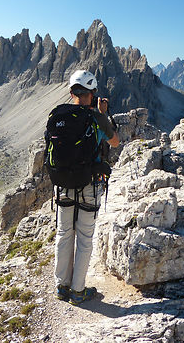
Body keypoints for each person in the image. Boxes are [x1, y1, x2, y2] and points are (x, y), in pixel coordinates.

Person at [47, 69, 119, 305]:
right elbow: (115, 142)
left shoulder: (58, 115)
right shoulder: (96, 118)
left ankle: (61, 286)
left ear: (71, 92)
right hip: (89, 183)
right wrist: (103, 115)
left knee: (64, 233)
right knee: (85, 237)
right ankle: (78, 291)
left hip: (64, 185)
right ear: (93, 93)